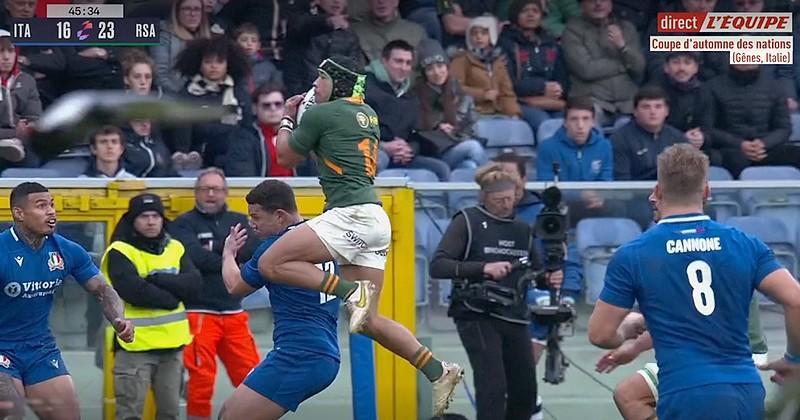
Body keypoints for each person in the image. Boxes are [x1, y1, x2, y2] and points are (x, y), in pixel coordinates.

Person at [262, 54, 464, 415]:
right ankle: (438, 371)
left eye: (320, 79)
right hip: (373, 217)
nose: (314, 86)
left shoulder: (324, 113)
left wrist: (289, 117)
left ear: (336, 83)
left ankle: (348, 290)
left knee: (270, 263)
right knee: (367, 321)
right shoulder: (367, 112)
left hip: (349, 215)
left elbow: (285, 157)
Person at [587, 144, 800, 419]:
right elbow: (795, 300)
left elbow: (600, 335)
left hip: (684, 391)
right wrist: (794, 359)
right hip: (744, 388)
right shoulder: (744, 244)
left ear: (658, 191)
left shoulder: (633, 254)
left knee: (630, 395)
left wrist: (626, 331)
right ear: (707, 191)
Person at [594, 192, 770, 420]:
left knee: (629, 394)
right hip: (732, 355)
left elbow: (693, 320)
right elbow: (694, 316)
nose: (652, 200)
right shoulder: (732, 248)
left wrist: (633, 342)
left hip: (732, 357)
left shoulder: (669, 254)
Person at [429, 162, 563, 420]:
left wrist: (549, 278)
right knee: (492, 385)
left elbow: (535, 273)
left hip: (514, 313)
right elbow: (438, 266)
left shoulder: (522, 229)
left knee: (525, 390)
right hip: (476, 312)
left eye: (510, 199)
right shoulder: (468, 220)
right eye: (499, 199)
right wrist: (483, 268)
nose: (506, 204)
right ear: (484, 196)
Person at [0, 182, 134, 419]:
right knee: (11, 412)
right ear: (19, 213)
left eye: (52, 205)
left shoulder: (67, 250)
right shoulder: (3, 251)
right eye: (41, 206)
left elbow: (103, 289)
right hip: (2, 346)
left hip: (40, 348)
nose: (51, 211)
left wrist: (118, 319)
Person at [217, 179, 340, 420]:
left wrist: (228, 254)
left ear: (280, 216)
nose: (252, 224)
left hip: (300, 354)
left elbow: (234, 286)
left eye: (257, 217)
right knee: (228, 413)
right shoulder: (320, 238)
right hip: (317, 352)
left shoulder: (276, 248)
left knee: (231, 417)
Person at [170, 168, 261, 420]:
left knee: (253, 378)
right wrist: (230, 253)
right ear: (196, 192)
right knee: (200, 382)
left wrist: (213, 249)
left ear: (225, 192)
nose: (211, 194)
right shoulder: (183, 224)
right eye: (205, 189)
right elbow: (193, 257)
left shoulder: (240, 221)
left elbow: (252, 253)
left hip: (234, 312)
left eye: (216, 189)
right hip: (198, 314)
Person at [102, 193, 202, 420]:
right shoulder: (120, 251)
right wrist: (173, 297)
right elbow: (134, 292)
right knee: (129, 414)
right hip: (134, 347)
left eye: (155, 216)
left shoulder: (175, 247)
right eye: (144, 216)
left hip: (172, 346)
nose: (150, 221)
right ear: (133, 220)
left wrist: (157, 279)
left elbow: (194, 285)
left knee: (170, 413)